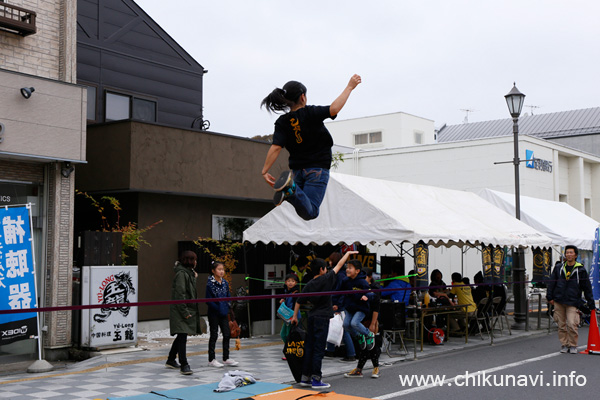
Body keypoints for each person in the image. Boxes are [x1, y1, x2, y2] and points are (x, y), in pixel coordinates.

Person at [260, 75, 362, 220]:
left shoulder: (282, 122)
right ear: (303, 97)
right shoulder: (310, 113)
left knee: (303, 208)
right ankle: (290, 190)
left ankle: (290, 191)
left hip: (297, 171)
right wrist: (350, 87)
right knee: (311, 212)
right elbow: (333, 109)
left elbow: (276, 147)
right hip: (317, 169)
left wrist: (265, 170)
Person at [290, 250, 358, 389]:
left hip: (312, 317)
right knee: (319, 349)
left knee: (309, 347)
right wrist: (348, 254)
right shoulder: (326, 279)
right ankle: (316, 379)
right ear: (322, 270)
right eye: (326, 268)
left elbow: (298, 300)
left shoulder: (309, 284)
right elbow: (339, 265)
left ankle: (305, 377)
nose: (327, 270)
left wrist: (295, 317)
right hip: (322, 318)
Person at [547, 245, 595, 354]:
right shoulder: (559, 267)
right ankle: (564, 344)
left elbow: (587, 288)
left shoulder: (581, 270)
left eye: (571, 252)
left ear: (575, 255)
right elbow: (551, 283)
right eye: (567, 252)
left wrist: (591, 304)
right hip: (559, 300)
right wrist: (549, 297)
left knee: (572, 324)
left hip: (573, 301)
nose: (569, 254)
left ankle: (573, 345)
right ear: (565, 254)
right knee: (561, 325)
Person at [167, 250, 202, 375]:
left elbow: (189, 290)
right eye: (195, 260)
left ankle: (171, 359)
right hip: (181, 309)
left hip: (184, 308)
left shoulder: (188, 273)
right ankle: (184, 364)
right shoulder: (182, 274)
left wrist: (194, 277)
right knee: (182, 336)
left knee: (182, 335)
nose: (196, 262)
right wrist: (185, 312)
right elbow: (180, 294)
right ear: (190, 261)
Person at [345, 267, 382, 379]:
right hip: (360, 320)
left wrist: (373, 323)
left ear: (369, 277)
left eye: (363, 277)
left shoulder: (374, 289)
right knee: (362, 346)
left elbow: (376, 308)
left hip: (370, 319)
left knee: (372, 345)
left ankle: (376, 368)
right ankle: (359, 369)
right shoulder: (356, 287)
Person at [325, 251, 357, 362]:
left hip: (338, 305)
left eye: (330, 260)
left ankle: (350, 353)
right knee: (335, 326)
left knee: (341, 329)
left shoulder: (339, 275)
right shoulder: (341, 275)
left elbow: (341, 292)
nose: (329, 262)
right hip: (338, 304)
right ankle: (330, 350)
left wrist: (338, 305)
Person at [206, 261, 239, 368]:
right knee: (214, 335)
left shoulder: (224, 282)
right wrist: (218, 308)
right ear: (213, 271)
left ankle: (226, 357)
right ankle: (211, 359)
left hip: (224, 312)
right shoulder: (210, 283)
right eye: (219, 269)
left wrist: (228, 307)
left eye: (222, 269)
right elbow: (208, 300)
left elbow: (228, 296)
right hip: (214, 313)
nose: (221, 271)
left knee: (227, 334)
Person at [341, 259, 375, 351]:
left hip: (361, 308)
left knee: (354, 323)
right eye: (347, 268)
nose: (347, 270)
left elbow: (371, 293)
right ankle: (359, 335)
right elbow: (340, 292)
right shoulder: (345, 281)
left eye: (350, 268)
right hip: (350, 307)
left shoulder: (362, 282)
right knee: (346, 325)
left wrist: (366, 296)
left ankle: (369, 334)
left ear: (357, 271)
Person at [280, 273, 301, 358]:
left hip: (293, 317)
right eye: (288, 281)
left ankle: (290, 353)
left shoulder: (296, 292)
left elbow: (296, 304)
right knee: (283, 334)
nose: (290, 283)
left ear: (296, 283)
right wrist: (283, 300)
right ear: (285, 282)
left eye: (293, 281)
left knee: (290, 335)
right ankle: (290, 350)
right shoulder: (287, 291)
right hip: (287, 317)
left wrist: (294, 317)